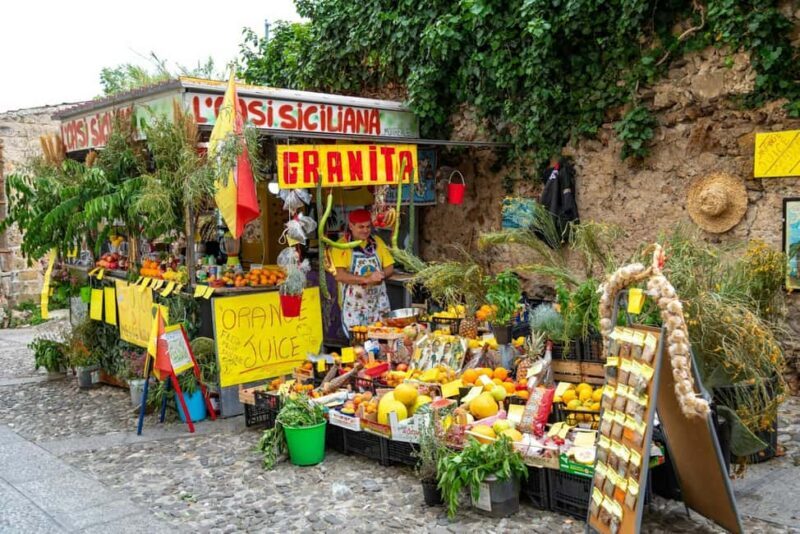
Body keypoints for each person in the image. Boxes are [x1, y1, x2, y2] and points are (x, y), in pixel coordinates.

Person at [332, 208, 394, 337]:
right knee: (359, 346)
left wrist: (380, 275)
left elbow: (389, 267)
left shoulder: (377, 241)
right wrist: (366, 279)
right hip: (354, 308)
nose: (365, 230)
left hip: (379, 305)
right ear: (351, 226)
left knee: (382, 342)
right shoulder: (341, 246)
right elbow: (339, 275)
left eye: (368, 226)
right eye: (361, 227)